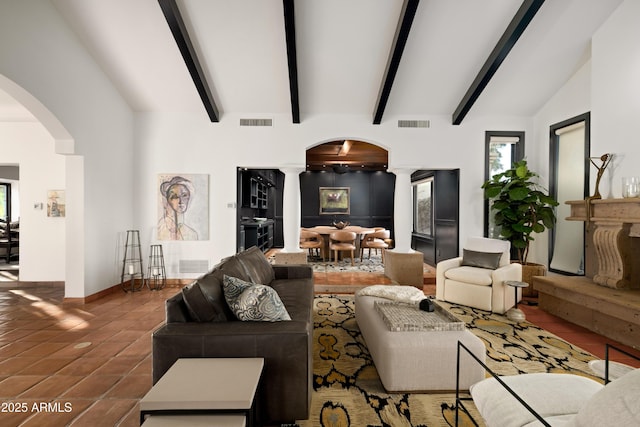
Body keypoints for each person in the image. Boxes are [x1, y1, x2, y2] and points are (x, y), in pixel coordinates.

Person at [157, 176, 198, 240]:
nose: (180, 201)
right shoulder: (160, 229)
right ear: (168, 200)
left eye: (184, 195)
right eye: (175, 197)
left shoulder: (192, 234)